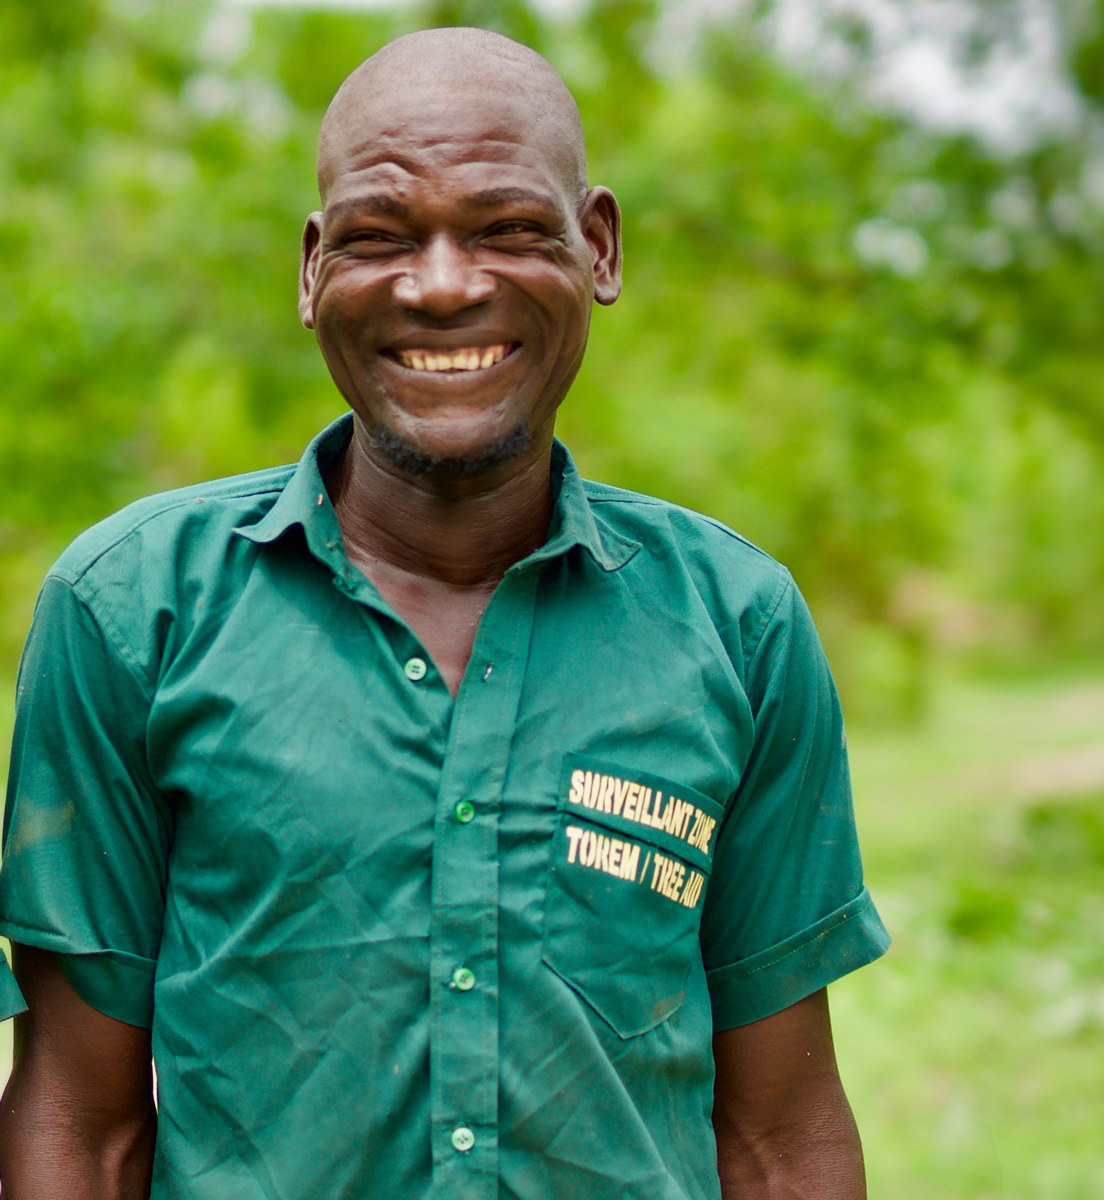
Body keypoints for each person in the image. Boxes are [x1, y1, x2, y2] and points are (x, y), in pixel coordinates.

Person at [0, 27, 888, 1200]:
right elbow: (76, 1114)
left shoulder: (736, 624)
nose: (442, 284)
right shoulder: (132, 613)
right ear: (313, 271)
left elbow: (782, 1131)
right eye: (379, 237)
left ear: (600, 246)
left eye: (509, 228)